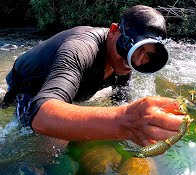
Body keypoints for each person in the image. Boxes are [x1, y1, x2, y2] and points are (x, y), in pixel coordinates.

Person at [0, 5, 184, 147]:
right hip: (28, 88)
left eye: (149, 55)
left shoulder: (123, 62)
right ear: (113, 31)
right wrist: (127, 120)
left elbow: (120, 105)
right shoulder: (79, 50)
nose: (137, 61)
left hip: (60, 90)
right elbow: (42, 117)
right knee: (56, 147)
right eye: (134, 47)